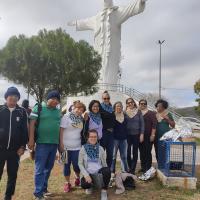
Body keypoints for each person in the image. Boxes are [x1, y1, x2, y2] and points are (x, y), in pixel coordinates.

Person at [28, 90, 61, 200]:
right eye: (54, 99)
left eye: (58, 100)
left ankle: (44, 189)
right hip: (42, 143)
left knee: (48, 168)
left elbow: (59, 127)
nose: (56, 101)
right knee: (40, 169)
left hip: (54, 144)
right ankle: (38, 194)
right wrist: (31, 140)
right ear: (48, 98)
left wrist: (60, 143)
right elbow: (32, 124)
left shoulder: (58, 111)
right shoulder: (39, 107)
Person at [0, 87, 28, 200]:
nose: (13, 98)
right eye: (10, 96)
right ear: (6, 97)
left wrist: (22, 147)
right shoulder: (0, 109)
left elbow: (24, 131)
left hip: (15, 150)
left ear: (18, 99)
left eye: (16, 97)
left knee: (12, 175)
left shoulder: (22, 112)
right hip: (0, 149)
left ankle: (8, 196)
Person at [60, 101, 86, 193]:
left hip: (77, 147)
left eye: (81, 110)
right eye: (78, 108)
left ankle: (77, 178)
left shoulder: (81, 119)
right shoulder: (66, 117)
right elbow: (61, 131)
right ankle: (67, 183)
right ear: (74, 107)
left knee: (76, 165)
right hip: (65, 146)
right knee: (66, 166)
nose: (79, 111)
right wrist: (61, 145)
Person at [79, 129, 111, 200]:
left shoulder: (101, 149)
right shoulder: (83, 149)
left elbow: (104, 164)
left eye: (95, 137)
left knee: (107, 170)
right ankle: (90, 187)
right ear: (88, 138)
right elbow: (80, 164)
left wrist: (106, 176)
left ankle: (104, 191)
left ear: (97, 138)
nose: (93, 138)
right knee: (85, 184)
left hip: (98, 173)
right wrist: (86, 175)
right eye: (91, 137)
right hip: (88, 174)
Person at [125, 97, 144, 174]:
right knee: (128, 152)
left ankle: (133, 169)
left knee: (135, 152)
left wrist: (142, 134)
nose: (130, 104)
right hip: (127, 135)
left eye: (131, 102)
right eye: (128, 103)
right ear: (127, 104)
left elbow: (142, 124)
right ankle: (129, 167)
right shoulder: (124, 112)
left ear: (134, 103)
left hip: (136, 135)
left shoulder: (138, 112)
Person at [138, 99, 157, 173]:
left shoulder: (151, 113)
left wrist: (153, 134)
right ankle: (143, 167)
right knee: (141, 152)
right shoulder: (138, 113)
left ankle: (148, 167)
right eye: (141, 104)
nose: (143, 105)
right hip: (139, 136)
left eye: (144, 103)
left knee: (148, 152)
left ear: (146, 104)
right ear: (139, 104)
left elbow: (154, 125)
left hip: (149, 136)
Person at [111, 101, 129, 174]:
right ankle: (112, 171)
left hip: (123, 139)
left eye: (120, 106)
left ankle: (124, 171)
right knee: (113, 156)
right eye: (117, 106)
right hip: (114, 139)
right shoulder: (112, 115)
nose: (119, 107)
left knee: (124, 156)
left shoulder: (125, 115)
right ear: (115, 107)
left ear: (122, 107)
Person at [100, 91, 115, 168]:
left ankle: (108, 170)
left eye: (108, 98)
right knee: (101, 153)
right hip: (103, 133)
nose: (106, 100)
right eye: (104, 98)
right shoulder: (99, 108)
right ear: (102, 99)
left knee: (110, 154)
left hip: (111, 135)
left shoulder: (112, 108)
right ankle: (101, 170)